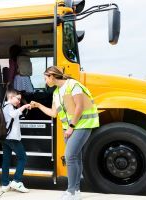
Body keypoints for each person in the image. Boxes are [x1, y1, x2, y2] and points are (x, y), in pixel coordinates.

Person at [30, 66, 99, 200]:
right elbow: (53, 113)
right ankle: (77, 191)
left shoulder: (72, 85)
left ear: (51, 76)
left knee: (70, 157)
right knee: (75, 158)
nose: (45, 82)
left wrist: (71, 127)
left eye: (45, 78)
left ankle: (71, 191)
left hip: (82, 125)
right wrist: (38, 105)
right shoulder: (56, 92)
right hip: (70, 128)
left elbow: (80, 107)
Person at [1, 89, 31, 193]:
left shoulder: (4, 106)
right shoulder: (9, 107)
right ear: (11, 97)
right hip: (12, 138)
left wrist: (20, 107)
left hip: (6, 138)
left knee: (6, 160)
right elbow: (13, 114)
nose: (19, 101)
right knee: (23, 158)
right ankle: (17, 181)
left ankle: (5, 184)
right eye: (18, 99)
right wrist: (24, 106)